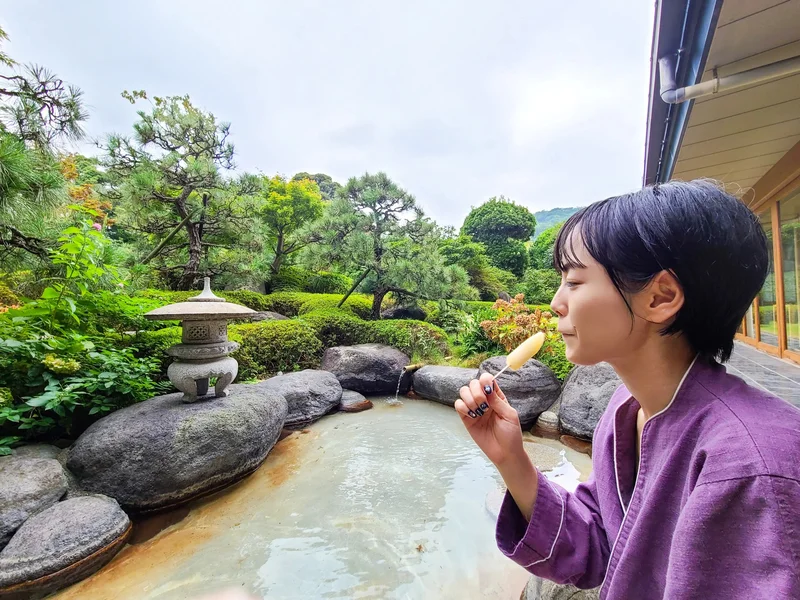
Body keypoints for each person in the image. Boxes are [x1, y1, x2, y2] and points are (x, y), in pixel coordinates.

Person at [457, 180, 800, 599]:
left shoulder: (751, 463)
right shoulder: (628, 409)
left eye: (575, 281)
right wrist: (512, 459)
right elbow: (602, 548)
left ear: (660, 297)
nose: (555, 302)